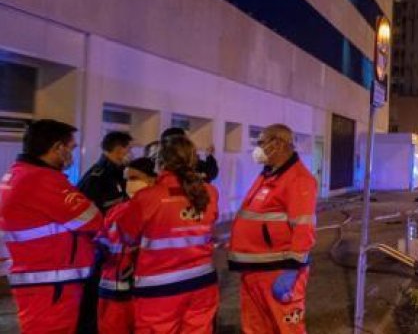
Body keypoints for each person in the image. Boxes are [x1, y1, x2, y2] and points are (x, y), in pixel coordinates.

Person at [0, 119, 103, 333]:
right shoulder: (42, 180)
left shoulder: (19, 174)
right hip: (52, 285)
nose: (72, 155)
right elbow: (93, 220)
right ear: (58, 147)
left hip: (42, 281)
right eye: (71, 148)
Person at [117, 136, 219, 333]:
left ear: (160, 162)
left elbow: (127, 237)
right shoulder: (209, 192)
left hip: (159, 288)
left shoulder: (147, 197)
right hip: (202, 283)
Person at [229, 124, 318, 333]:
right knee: (256, 327)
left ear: (277, 144)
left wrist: (291, 271)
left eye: (261, 142)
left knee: (286, 328)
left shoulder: (298, 179)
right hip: (256, 268)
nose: (257, 148)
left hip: (278, 270)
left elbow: (303, 229)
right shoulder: (269, 174)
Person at [77, 130, 135, 334]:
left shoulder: (117, 174)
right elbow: (85, 216)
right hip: (97, 248)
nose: (131, 154)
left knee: (105, 296)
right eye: (129, 149)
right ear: (119, 150)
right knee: (92, 294)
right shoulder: (97, 177)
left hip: (112, 249)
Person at [96, 157, 156, 334]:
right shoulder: (117, 210)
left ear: (152, 179)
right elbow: (102, 241)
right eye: (127, 179)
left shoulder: (155, 210)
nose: (129, 184)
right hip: (112, 287)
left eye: (135, 178)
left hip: (140, 288)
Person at [149, 127, 219, 183]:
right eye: (186, 141)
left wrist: (209, 156)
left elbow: (211, 173)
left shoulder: (192, 162)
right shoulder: (156, 163)